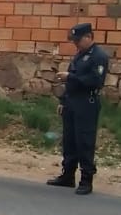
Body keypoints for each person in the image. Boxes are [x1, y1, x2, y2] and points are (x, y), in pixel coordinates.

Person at [47, 22, 110, 195]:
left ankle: (86, 180)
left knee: (84, 141)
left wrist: (71, 77)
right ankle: (67, 175)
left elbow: (95, 81)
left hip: (86, 103)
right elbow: (71, 83)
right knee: (69, 140)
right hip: (72, 102)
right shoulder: (79, 55)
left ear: (89, 37)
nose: (75, 43)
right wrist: (63, 101)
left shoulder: (98, 56)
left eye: (78, 40)